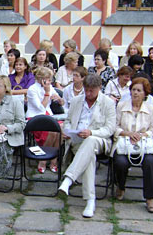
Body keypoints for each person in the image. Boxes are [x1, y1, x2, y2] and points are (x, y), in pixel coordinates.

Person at [59, 74, 116, 218]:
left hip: (100, 141)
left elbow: (110, 129)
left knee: (90, 141)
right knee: (88, 157)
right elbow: (68, 121)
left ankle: (68, 179)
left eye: (92, 91)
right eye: (87, 90)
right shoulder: (77, 100)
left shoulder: (108, 103)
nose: (89, 94)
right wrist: (67, 131)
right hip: (78, 141)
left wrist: (91, 132)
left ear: (99, 88)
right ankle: (90, 200)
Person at [112, 77, 153, 213]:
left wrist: (141, 135)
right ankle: (120, 186)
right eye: (133, 90)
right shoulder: (121, 106)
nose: (135, 93)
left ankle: (150, 198)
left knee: (150, 163)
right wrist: (127, 133)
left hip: (143, 144)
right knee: (120, 162)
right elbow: (114, 127)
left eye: (139, 90)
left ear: (145, 93)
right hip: (124, 143)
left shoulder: (150, 108)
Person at [26, 67, 64, 173]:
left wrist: (59, 100)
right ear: (40, 79)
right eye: (47, 79)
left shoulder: (50, 87)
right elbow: (41, 108)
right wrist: (47, 93)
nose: (49, 81)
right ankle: (43, 160)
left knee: (61, 129)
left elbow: (62, 103)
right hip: (35, 117)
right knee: (53, 130)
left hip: (49, 115)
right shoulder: (32, 89)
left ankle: (53, 160)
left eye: (50, 79)